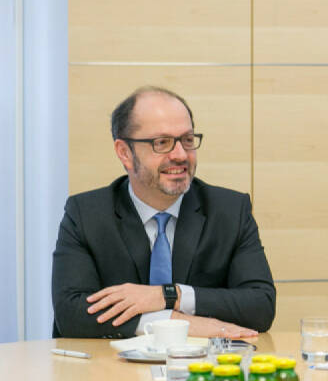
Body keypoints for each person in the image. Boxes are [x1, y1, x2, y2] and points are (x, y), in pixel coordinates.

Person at [51, 86, 276, 338]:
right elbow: (70, 314)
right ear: (124, 152)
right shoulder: (86, 214)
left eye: (187, 140)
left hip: (202, 370)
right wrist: (177, 321)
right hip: (111, 369)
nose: (180, 155)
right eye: (162, 143)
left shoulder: (230, 210)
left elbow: (260, 305)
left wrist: (168, 295)